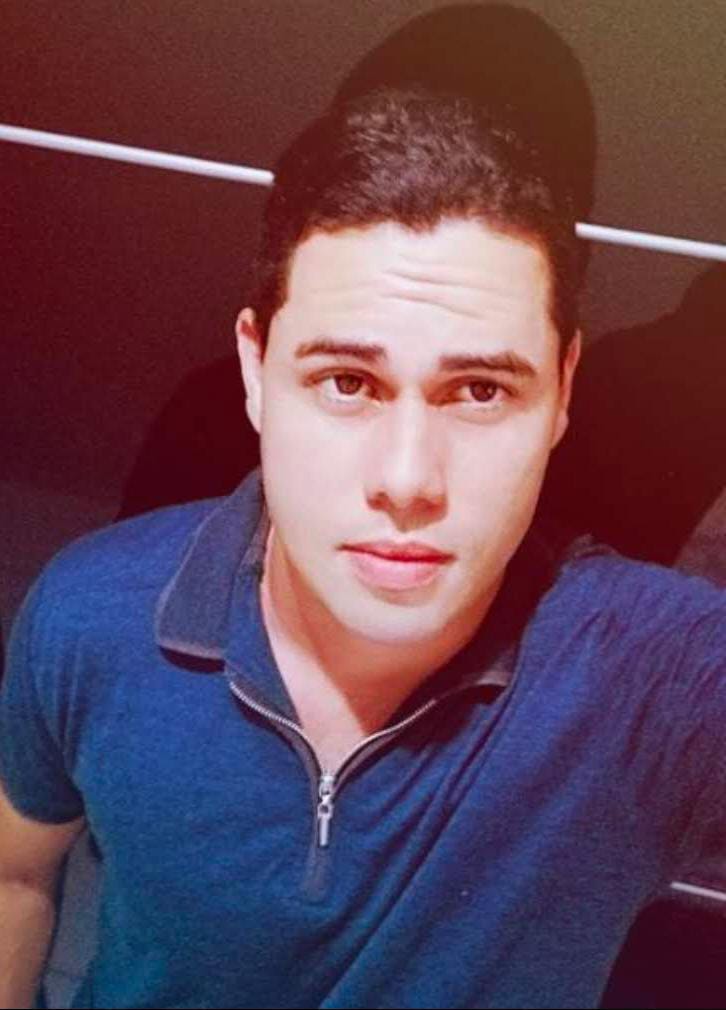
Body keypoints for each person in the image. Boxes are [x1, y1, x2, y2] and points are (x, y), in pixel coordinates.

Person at [1, 88, 724, 1010]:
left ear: (563, 389)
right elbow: (16, 875)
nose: (408, 478)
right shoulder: (94, 612)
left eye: (480, 391)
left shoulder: (654, 680)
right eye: (347, 382)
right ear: (256, 368)